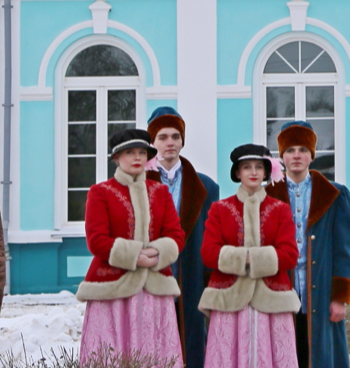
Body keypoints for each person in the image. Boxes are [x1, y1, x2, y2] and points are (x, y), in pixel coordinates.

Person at [76, 128, 185, 367]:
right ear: (117, 157)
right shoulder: (100, 192)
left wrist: (155, 255)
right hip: (112, 288)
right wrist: (135, 256)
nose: (137, 158)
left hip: (155, 287)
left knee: (155, 355)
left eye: (141, 152)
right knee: (111, 355)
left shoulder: (160, 192)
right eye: (129, 153)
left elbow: (176, 236)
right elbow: (97, 240)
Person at [200, 144, 300, 368]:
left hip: (272, 298)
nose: (253, 172)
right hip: (228, 298)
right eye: (247, 167)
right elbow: (208, 254)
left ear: (266, 172)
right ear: (237, 173)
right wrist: (248, 258)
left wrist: (248, 259)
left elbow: (290, 255)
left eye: (258, 167)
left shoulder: (280, 209)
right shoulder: (220, 209)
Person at [266, 121, 350, 368]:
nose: (296, 155)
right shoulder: (266, 195)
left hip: (321, 293)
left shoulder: (334, 195)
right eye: (290, 150)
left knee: (319, 357)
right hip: (278, 292)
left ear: (311, 155)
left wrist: (340, 298)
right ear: (281, 155)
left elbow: (344, 251)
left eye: (303, 149)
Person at [145, 107, 222, 368]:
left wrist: (214, 287)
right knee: (152, 350)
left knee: (193, 350)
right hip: (151, 280)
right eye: (163, 137)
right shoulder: (137, 183)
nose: (170, 143)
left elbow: (212, 239)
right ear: (152, 142)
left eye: (175, 136)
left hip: (192, 282)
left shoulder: (206, 187)